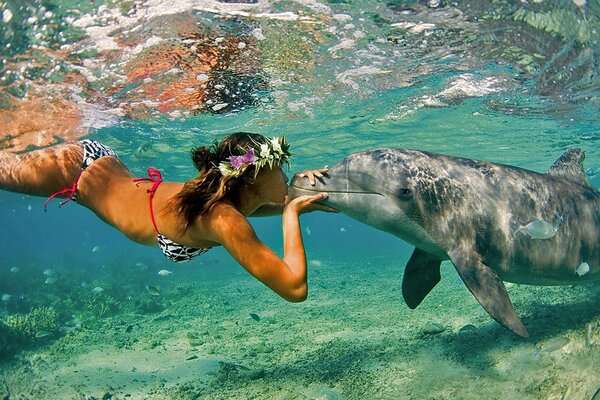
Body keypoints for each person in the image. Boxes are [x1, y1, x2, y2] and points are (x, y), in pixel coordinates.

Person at [0, 133, 331, 302]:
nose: (286, 173)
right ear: (251, 178)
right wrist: (292, 214)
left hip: (97, 160)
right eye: (279, 168)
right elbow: (294, 288)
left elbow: (264, 202)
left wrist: (304, 191)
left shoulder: (223, 194)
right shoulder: (224, 219)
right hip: (73, 170)